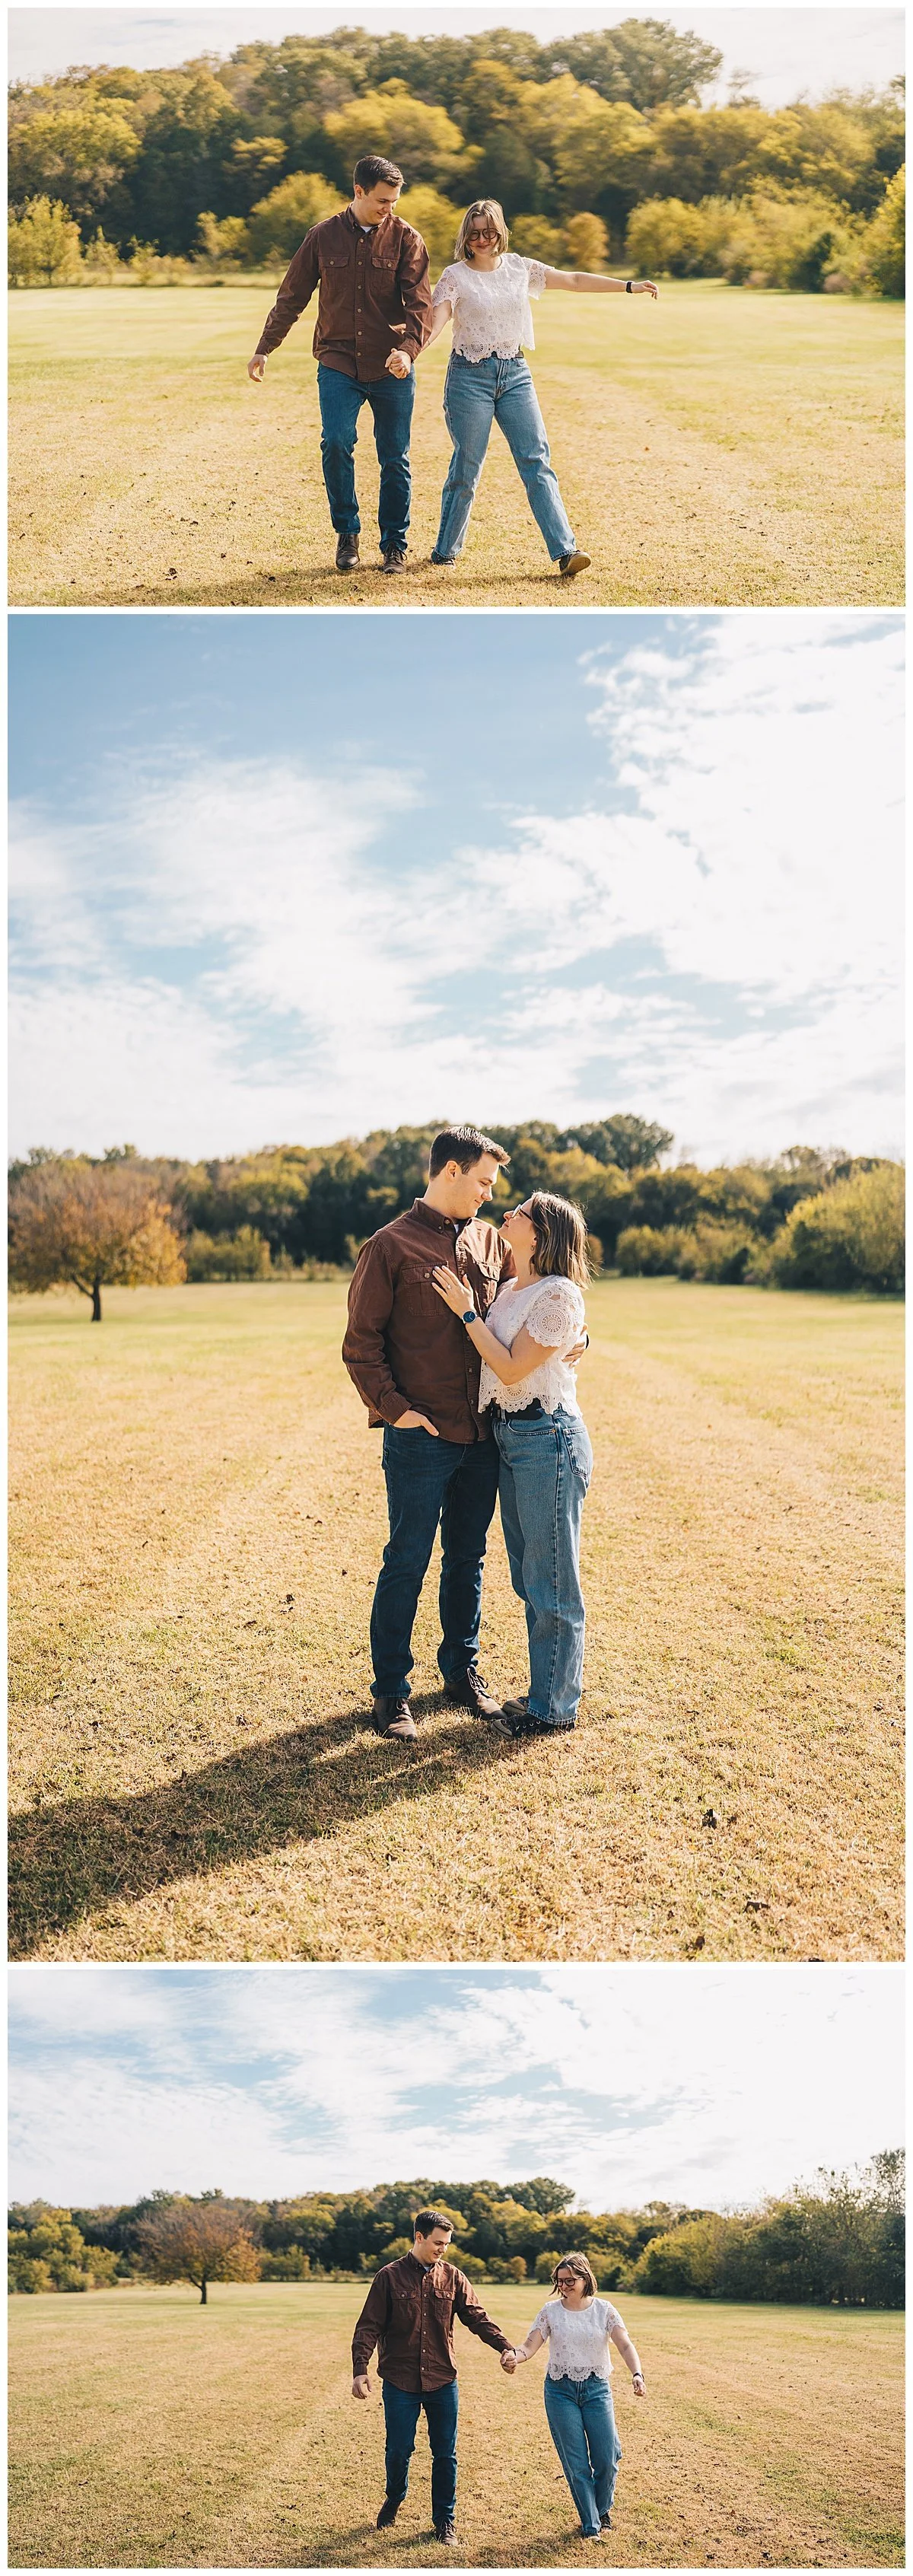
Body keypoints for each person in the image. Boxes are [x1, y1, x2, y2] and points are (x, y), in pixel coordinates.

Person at [342, 1125, 516, 1739]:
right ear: (451, 1171)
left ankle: (461, 1673)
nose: (489, 1194)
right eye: (483, 1181)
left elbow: (532, 1302)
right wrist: (396, 1411)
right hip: (420, 1436)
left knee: (468, 1559)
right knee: (407, 1560)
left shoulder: (493, 1243)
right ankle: (391, 1692)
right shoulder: (388, 1246)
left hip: (482, 1435)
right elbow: (360, 1345)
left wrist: (577, 1333)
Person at [422, 198, 657, 575]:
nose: (482, 240)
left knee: (536, 460)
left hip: (515, 373)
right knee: (467, 465)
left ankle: (566, 551)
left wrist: (629, 286)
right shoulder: (455, 276)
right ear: (465, 236)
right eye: (475, 233)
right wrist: (411, 352)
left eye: (489, 232)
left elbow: (574, 280)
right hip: (469, 377)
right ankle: (445, 550)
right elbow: (438, 320)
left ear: (501, 232)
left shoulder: (520, 268)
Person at [431, 1192, 593, 1740]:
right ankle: (547, 1689)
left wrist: (466, 1312)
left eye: (519, 1213)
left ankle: (553, 1710)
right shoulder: (510, 1287)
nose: (506, 1214)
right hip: (512, 1438)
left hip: (547, 1439)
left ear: (540, 1234)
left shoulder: (559, 1293)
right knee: (531, 1576)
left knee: (552, 1582)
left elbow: (510, 1365)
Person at [247, 154, 433, 574]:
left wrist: (408, 350)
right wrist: (265, 347)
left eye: (394, 201)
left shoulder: (407, 239)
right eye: (382, 200)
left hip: (392, 364)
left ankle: (394, 545)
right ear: (359, 191)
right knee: (335, 442)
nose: (389, 209)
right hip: (337, 361)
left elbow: (420, 304)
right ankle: (347, 533)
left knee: (395, 457)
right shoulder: (322, 237)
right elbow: (292, 296)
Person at [352, 2207, 513, 2548]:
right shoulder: (388, 2277)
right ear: (419, 2237)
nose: (444, 2249)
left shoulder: (453, 2277)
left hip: (442, 2379)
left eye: (447, 2244)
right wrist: (360, 2370)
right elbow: (369, 2326)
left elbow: (477, 2318)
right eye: (439, 2243)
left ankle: (444, 2520)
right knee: (399, 2450)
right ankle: (395, 2496)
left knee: (445, 2454)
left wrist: (505, 2347)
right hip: (400, 2381)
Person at [501, 2253, 645, 2540]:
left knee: (607, 2458)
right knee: (577, 2463)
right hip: (560, 2391)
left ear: (585, 2278)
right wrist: (515, 2356)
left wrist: (637, 2374)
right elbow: (529, 2345)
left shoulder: (604, 2310)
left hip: (596, 2389)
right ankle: (592, 2525)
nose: (564, 2286)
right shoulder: (550, 2312)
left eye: (570, 2281)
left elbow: (625, 2344)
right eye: (560, 2281)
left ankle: (601, 2509)